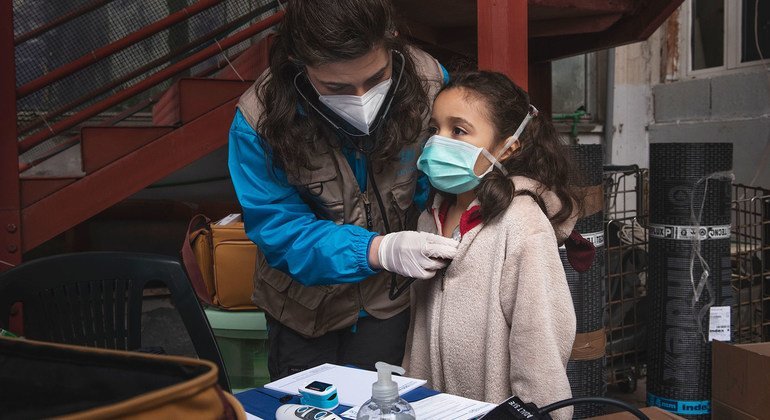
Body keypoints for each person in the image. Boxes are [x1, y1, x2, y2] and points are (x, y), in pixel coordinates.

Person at [228, 0, 459, 380]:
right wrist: (376, 249)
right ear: (299, 63)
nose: (360, 97)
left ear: (392, 41)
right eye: (336, 87)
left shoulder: (430, 82)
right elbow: (278, 229)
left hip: (392, 303)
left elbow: (440, 178)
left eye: (375, 79)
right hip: (302, 314)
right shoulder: (258, 120)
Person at [404, 71, 582, 419]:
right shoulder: (429, 219)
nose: (439, 141)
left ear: (508, 145)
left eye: (458, 130)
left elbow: (540, 341)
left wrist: (543, 414)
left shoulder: (521, 222)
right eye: (434, 129)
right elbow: (416, 329)